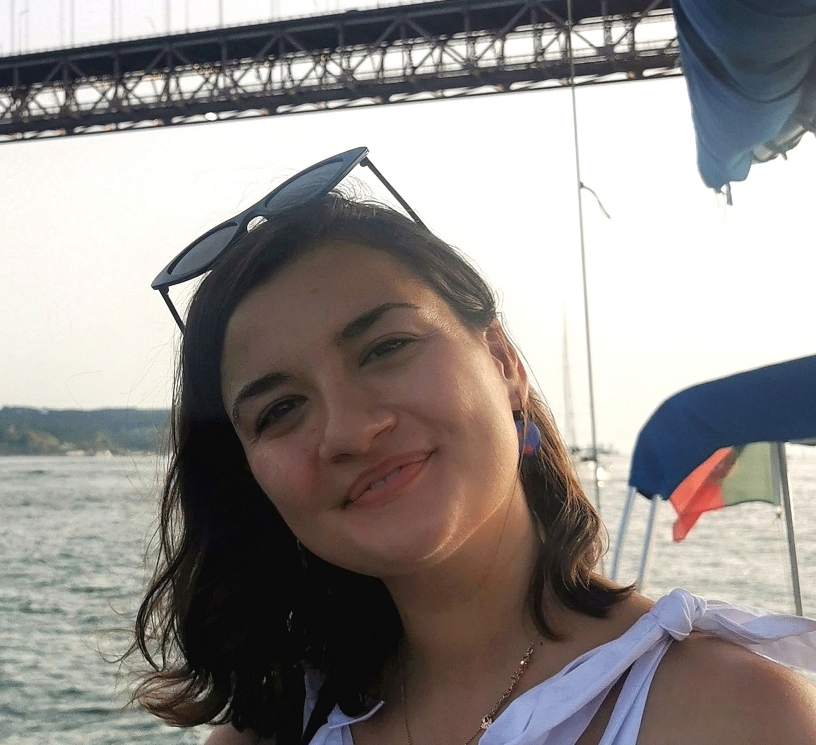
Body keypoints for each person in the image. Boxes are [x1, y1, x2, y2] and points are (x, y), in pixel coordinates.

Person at [129, 157, 816, 745]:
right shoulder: (269, 733)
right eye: (280, 410)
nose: (347, 430)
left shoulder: (730, 714)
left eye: (385, 348)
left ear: (503, 362)